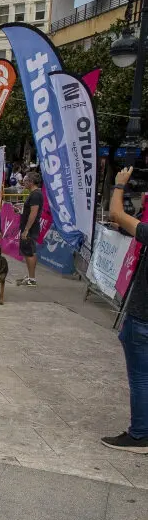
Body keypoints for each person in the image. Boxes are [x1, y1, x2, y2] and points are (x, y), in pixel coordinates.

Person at [104, 166, 148, 453]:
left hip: (143, 317)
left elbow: (116, 215)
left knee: (141, 377)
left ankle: (140, 434)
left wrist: (119, 185)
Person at [16, 172, 43, 287]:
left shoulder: (36, 195)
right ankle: (30, 276)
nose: (24, 182)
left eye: (26, 180)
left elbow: (33, 213)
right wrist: (20, 211)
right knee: (28, 252)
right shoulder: (33, 194)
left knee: (30, 252)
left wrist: (26, 229)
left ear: (31, 182)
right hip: (29, 227)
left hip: (30, 228)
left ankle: (32, 279)